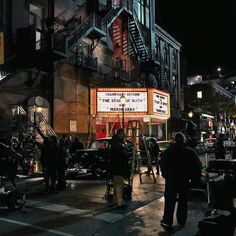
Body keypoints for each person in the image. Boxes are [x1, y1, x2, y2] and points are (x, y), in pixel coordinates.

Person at [159, 132, 202, 230]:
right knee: (183, 201)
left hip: (171, 180)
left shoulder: (168, 151)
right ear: (184, 140)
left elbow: (162, 164)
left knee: (170, 201)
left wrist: (166, 175)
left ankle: (167, 220)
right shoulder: (189, 152)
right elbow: (197, 166)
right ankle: (181, 220)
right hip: (184, 180)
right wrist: (195, 180)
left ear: (174, 140)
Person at [110, 128, 130, 207]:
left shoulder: (114, 141)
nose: (124, 135)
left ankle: (116, 200)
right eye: (123, 134)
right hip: (119, 165)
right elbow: (123, 153)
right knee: (119, 184)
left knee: (116, 183)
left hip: (114, 166)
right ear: (119, 134)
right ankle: (119, 201)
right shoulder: (119, 143)